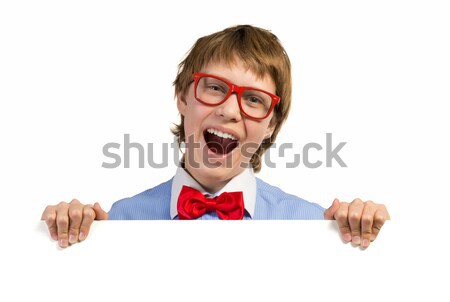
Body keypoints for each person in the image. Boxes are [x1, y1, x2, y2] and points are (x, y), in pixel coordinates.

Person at [41, 25, 389, 249]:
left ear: (271, 124)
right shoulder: (120, 221)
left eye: (254, 99)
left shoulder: (315, 225)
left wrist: (370, 232)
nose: (230, 110)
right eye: (215, 88)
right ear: (182, 97)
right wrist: (63, 234)